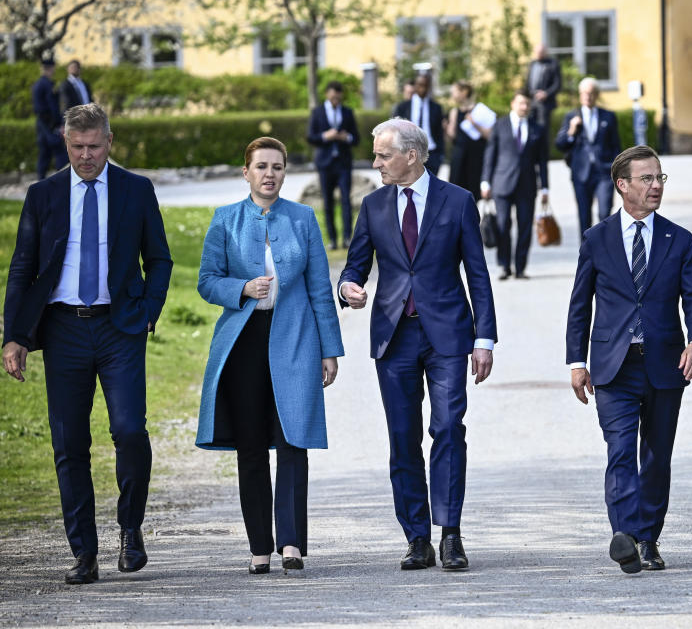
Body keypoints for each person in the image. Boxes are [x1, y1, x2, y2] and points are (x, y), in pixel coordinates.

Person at [2, 103, 172, 585]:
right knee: (69, 443)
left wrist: (148, 313)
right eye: (77, 148)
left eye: (94, 147)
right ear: (65, 143)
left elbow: (159, 259)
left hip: (120, 327)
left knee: (129, 431)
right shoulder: (44, 194)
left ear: (109, 142)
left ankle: (130, 528)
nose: (86, 157)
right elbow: (21, 267)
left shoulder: (136, 190)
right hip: (63, 330)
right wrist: (14, 335)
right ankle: (84, 553)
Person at [338, 118, 497, 571]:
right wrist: (347, 288)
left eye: (382, 155)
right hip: (394, 337)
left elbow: (478, 275)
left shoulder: (458, 201)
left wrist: (483, 338)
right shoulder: (372, 205)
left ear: (411, 155)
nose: (376, 163)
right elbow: (354, 267)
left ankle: (450, 534)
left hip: (448, 334)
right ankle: (417, 538)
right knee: (402, 438)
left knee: (448, 429)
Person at [196, 137, 344, 575]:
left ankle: (292, 543)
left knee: (293, 439)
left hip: (295, 337)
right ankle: (260, 546)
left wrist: (330, 350)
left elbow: (320, 287)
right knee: (252, 447)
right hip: (243, 342)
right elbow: (206, 281)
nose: (269, 174)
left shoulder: (303, 218)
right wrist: (240, 288)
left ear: (285, 173)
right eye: (261, 166)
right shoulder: (225, 220)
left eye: (277, 167)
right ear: (246, 173)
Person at [566, 145, 692, 574]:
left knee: (656, 455)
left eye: (660, 178)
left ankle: (649, 537)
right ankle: (626, 536)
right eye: (646, 179)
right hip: (613, 365)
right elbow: (580, 306)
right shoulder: (596, 239)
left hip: (667, 363)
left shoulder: (679, 239)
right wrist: (576, 362)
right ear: (622, 185)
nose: (655, 187)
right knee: (620, 452)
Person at [480, 91, 549, 280]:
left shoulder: (537, 128)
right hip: (502, 184)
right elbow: (490, 156)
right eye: (521, 103)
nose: (524, 107)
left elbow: (542, 160)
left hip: (527, 185)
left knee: (525, 226)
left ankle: (520, 268)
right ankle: (504, 266)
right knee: (503, 225)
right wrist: (485, 181)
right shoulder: (500, 125)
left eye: (527, 104)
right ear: (513, 104)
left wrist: (545, 187)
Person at [556, 77, 622, 239]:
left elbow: (616, 146)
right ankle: (587, 255)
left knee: (604, 213)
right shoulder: (571, 116)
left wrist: (618, 170)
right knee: (584, 215)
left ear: (597, 95)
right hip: (581, 173)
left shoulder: (608, 116)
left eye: (591, 93)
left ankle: (605, 251)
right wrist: (571, 130)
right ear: (580, 95)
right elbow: (560, 144)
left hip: (604, 172)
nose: (587, 96)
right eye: (584, 93)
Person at [307, 80, 360, 249]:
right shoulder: (317, 112)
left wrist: (347, 137)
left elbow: (356, 138)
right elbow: (310, 137)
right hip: (325, 164)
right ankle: (332, 240)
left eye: (338, 95)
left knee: (346, 201)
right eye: (333, 95)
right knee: (328, 202)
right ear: (327, 94)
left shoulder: (347, 112)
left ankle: (346, 238)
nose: (335, 98)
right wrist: (325, 136)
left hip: (343, 163)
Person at [446, 80, 490, 202]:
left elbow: (490, 136)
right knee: (456, 191)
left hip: (476, 158)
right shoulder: (454, 112)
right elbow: (452, 137)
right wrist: (448, 126)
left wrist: (474, 123)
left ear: (464, 92)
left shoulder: (480, 110)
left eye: (454, 92)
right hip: (459, 158)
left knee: (474, 192)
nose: (452, 95)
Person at [392, 74, 445, 175]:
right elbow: (396, 130)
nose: (423, 88)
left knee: (431, 188)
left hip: (431, 153)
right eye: (420, 85)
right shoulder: (403, 107)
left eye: (426, 85)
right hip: (410, 152)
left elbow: (439, 133)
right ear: (415, 86)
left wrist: (440, 155)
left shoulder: (436, 107)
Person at [32, 58, 68, 181]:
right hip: (48, 124)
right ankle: (63, 179)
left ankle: (41, 179)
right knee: (60, 152)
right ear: (50, 68)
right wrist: (56, 124)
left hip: (43, 123)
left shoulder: (41, 84)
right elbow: (47, 107)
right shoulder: (45, 85)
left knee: (45, 153)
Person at [525, 44, 562, 133]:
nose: (538, 54)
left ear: (546, 52)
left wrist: (546, 93)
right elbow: (527, 82)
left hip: (545, 103)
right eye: (537, 52)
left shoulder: (553, 64)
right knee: (530, 127)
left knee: (543, 129)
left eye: (541, 52)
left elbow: (558, 84)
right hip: (532, 100)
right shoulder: (532, 64)